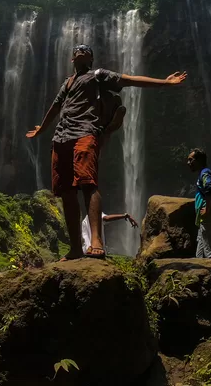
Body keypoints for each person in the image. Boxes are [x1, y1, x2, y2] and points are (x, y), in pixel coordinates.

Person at [27, 44, 187, 260]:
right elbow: (55, 107)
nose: (81, 50)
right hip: (60, 136)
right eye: (77, 50)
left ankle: (96, 241)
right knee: (66, 191)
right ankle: (75, 248)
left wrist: (165, 83)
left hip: (85, 131)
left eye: (86, 50)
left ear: (91, 59)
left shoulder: (98, 75)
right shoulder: (67, 83)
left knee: (88, 183)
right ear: (72, 59)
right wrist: (42, 129)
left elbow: (128, 79)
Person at [187, 148, 211, 258]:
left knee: (210, 252)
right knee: (200, 251)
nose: (188, 163)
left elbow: (209, 188)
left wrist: (207, 209)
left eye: (191, 160)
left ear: (199, 161)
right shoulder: (204, 173)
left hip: (209, 217)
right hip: (205, 219)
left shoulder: (205, 173)